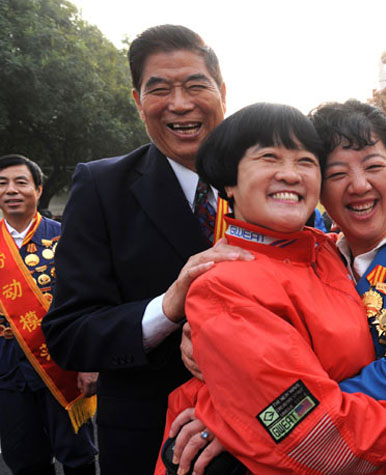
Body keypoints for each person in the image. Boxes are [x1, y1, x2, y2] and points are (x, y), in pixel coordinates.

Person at [154, 102, 386, 474]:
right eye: (269, 158)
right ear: (229, 180)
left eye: (305, 162)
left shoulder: (324, 253)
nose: (290, 175)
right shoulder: (230, 281)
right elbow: (306, 431)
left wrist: (250, 421)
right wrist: (254, 420)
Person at [41, 25, 249, 474]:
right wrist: (167, 309)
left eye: (195, 85)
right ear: (138, 102)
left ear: (222, 90)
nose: (180, 103)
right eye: (160, 89)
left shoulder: (268, 178)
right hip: (151, 437)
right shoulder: (102, 187)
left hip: (264, 433)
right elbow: (69, 334)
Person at [0, 154, 97, 475]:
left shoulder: (65, 236)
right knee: (23, 457)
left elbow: (88, 300)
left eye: (21, 182)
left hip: (62, 364)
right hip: (7, 369)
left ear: (39, 189)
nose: (11, 190)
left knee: (77, 456)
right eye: (2, 183)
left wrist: (90, 362)